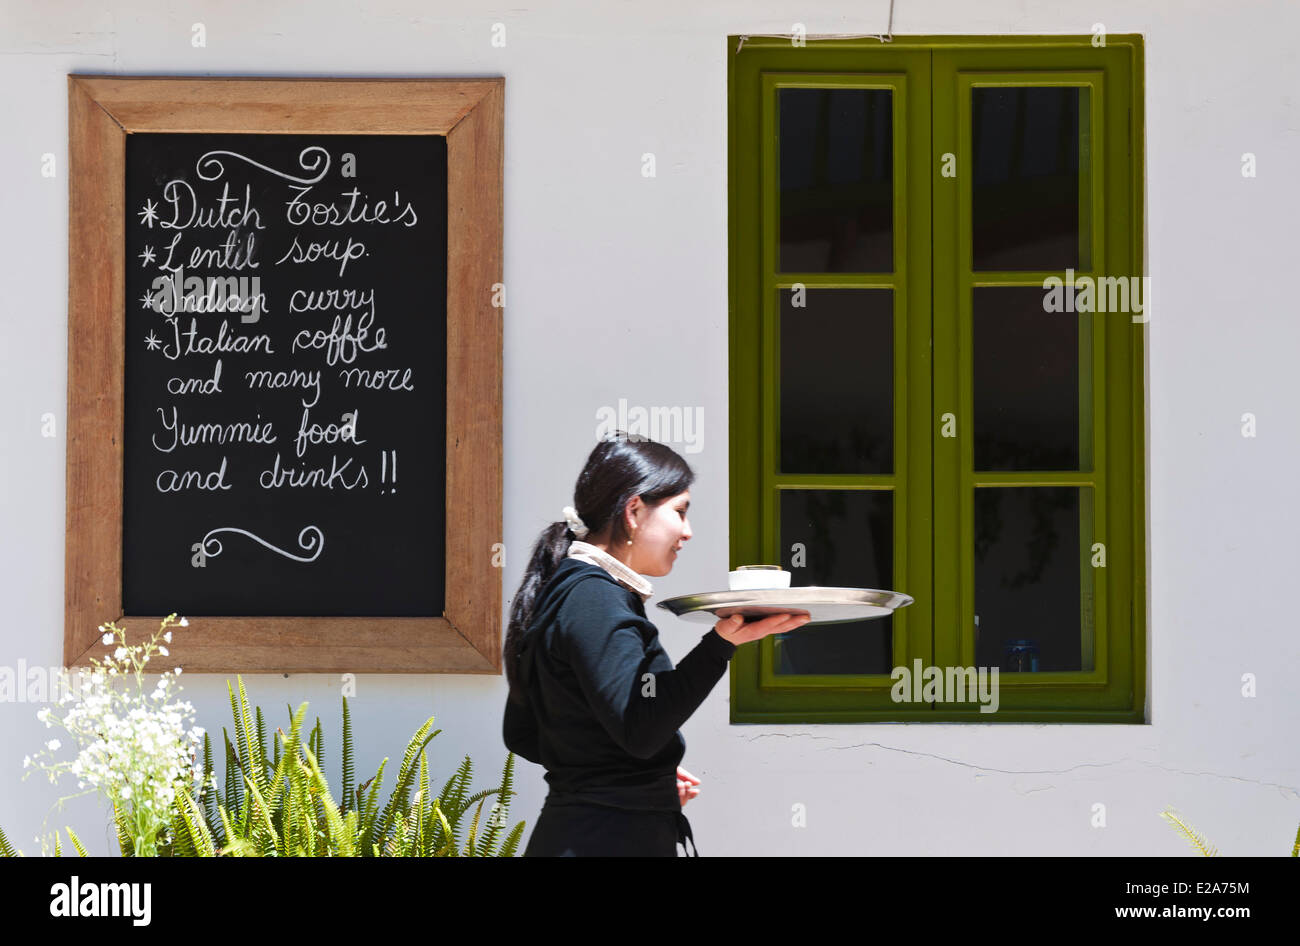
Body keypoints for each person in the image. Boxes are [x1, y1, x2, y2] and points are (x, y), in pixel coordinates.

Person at [502, 432, 810, 856]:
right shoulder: (596, 599)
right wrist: (719, 645)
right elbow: (642, 729)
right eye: (680, 512)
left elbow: (522, 733)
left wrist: (639, 777)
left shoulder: (569, 590)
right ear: (633, 511)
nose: (687, 532)